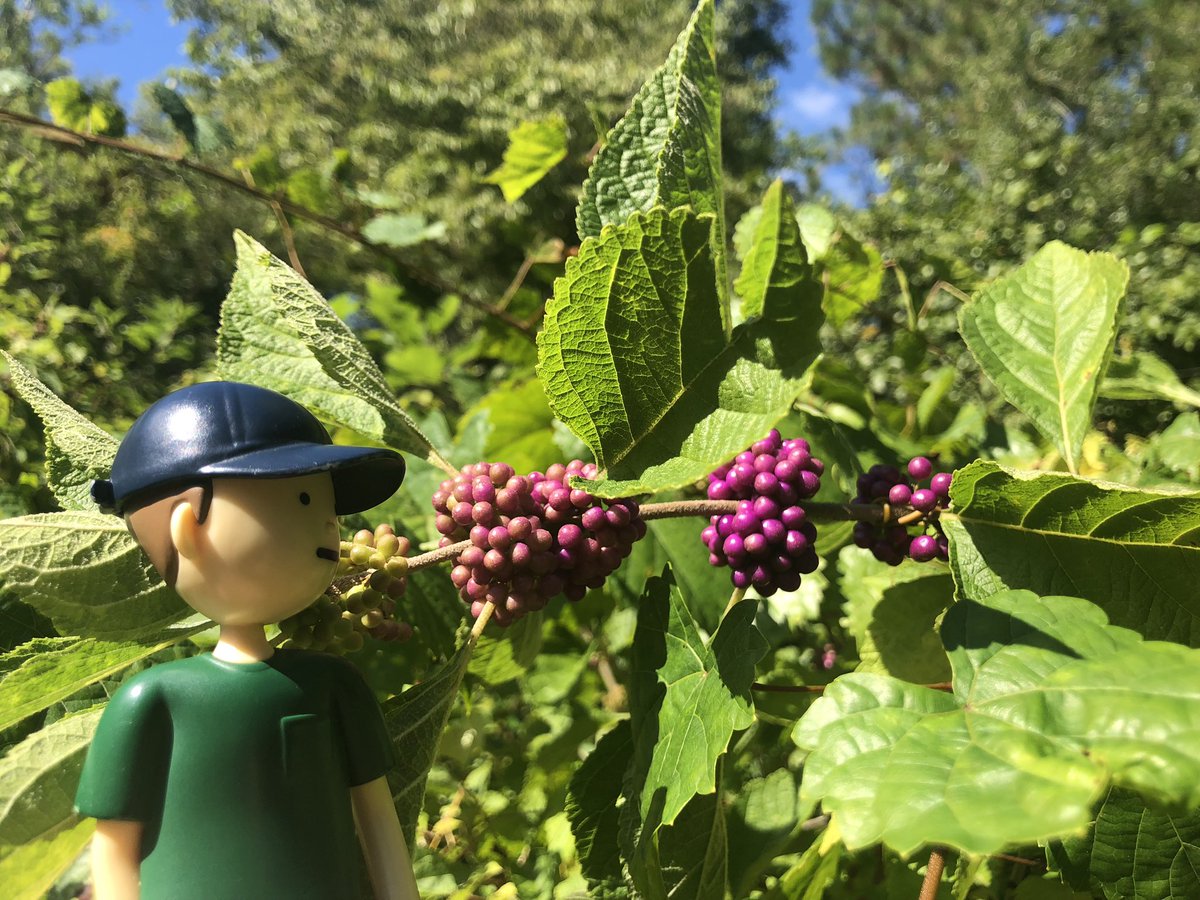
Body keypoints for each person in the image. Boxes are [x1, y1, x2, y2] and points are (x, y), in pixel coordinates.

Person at [75, 381, 420, 900]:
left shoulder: (334, 686)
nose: (329, 525)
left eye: (325, 502)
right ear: (188, 527)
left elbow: (376, 818)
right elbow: (113, 847)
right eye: (304, 499)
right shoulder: (152, 701)